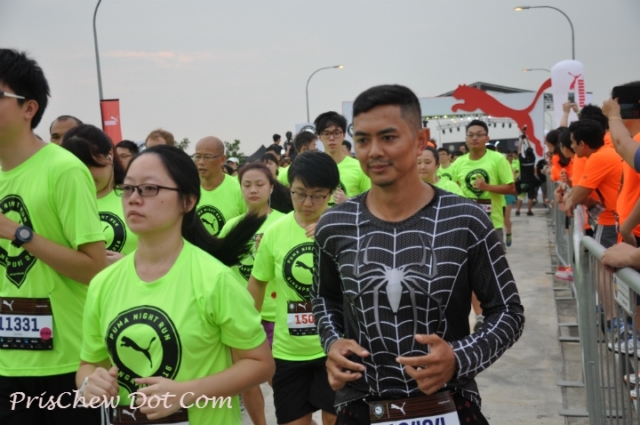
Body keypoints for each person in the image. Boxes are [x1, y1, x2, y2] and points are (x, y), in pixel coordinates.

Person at [311, 84, 524, 425]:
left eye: (388, 137)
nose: (374, 151)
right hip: (360, 402)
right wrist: (333, 342)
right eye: (363, 140)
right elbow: (325, 297)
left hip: (448, 402)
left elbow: (507, 310)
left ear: (421, 139)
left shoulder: (465, 220)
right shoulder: (335, 225)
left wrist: (459, 357)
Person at [77, 145, 274, 425]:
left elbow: (260, 364)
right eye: (128, 188)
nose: (134, 198)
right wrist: (90, 384)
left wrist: (185, 393)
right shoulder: (103, 283)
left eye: (149, 188)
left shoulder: (215, 279)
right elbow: (89, 364)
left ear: (188, 201)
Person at [0, 49, 107, 424]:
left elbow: (95, 269)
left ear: (29, 108)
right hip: (7, 363)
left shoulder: (63, 170)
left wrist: (18, 232)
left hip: (67, 362)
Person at [248, 151, 339, 425]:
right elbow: (257, 283)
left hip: (335, 347)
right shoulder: (275, 232)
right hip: (288, 352)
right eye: (299, 194)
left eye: (317, 196)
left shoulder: (343, 228)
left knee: (335, 420)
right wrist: (248, 333)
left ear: (331, 193)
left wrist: (330, 232)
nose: (307, 203)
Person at [219, 162, 292, 425]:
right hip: (241, 315)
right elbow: (220, 269)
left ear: (271, 187)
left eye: (259, 184)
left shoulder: (285, 222)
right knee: (247, 381)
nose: (252, 190)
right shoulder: (232, 227)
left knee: (279, 382)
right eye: (246, 185)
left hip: (276, 316)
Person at [61, 125, 138, 263]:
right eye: (76, 168)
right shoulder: (62, 202)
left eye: (90, 165)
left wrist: (129, 264)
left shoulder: (137, 197)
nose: (86, 174)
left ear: (110, 155)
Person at [449, 119, 516, 245]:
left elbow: (511, 188)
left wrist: (487, 187)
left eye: (479, 135)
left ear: (487, 138)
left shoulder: (498, 159)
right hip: (466, 223)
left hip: (491, 223)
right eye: (471, 135)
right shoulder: (458, 163)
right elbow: (454, 189)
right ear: (466, 139)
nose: (474, 138)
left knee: (494, 258)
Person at [562, 119, 622, 249]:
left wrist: (569, 200)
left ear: (582, 144)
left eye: (572, 142)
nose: (572, 146)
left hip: (611, 221)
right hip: (617, 219)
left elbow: (580, 193)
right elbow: (579, 188)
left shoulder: (598, 158)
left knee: (602, 260)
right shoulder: (606, 152)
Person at [314, 111, 370, 206]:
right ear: (319, 137)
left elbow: (372, 204)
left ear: (344, 135)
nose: (332, 138)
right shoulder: (313, 167)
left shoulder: (359, 167)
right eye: (326, 133)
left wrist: (348, 202)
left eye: (336, 133)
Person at [193, 136, 246, 236]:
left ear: (222, 159)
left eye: (207, 157)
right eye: (198, 156)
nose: (201, 162)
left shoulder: (239, 190)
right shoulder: (188, 189)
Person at [515, 137, 538, 217]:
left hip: (523, 181)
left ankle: (518, 211)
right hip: (531, 181)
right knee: (530, 197)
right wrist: (527, 139)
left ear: (525, 153)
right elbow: (530, 149)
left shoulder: (522, 160)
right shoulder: (533, 159)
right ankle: (529, 211)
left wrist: (522, 140)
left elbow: (518, 150)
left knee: (520, 196)